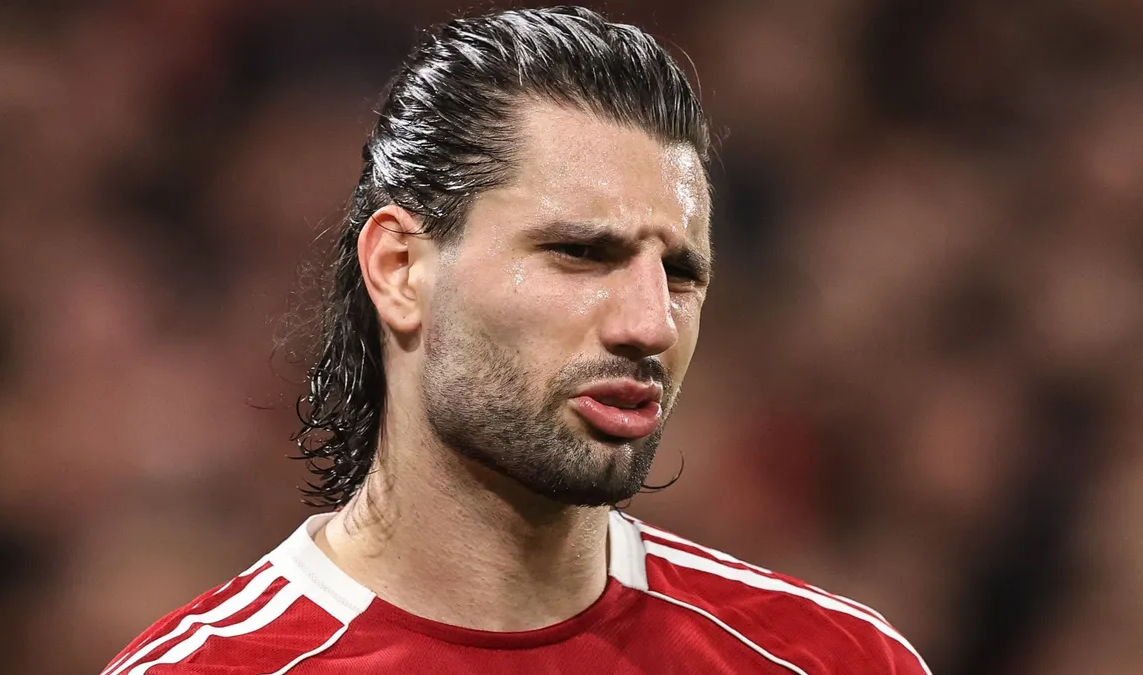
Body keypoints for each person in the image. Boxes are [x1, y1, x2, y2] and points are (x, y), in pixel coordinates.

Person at [102, 6, 931, 674]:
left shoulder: (833, 659)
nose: (650, 324)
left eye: (681, 272)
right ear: (399, 269)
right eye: (580, 252)